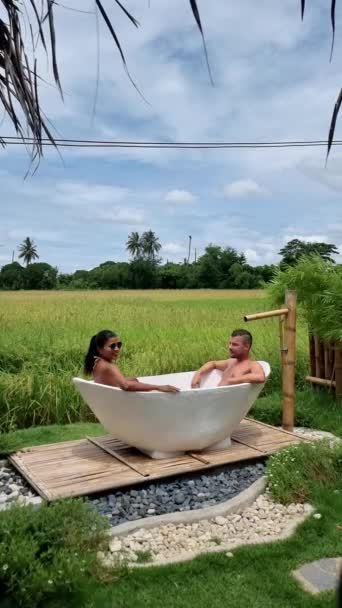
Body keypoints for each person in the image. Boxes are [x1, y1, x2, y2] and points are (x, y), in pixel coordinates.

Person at [84, 330, 179, 393]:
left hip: (108, 401)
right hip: (116, 404)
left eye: (119, 344)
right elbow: (126, 386)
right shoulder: (109, 367)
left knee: (134, 380)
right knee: (132, 382)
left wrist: (131, 381)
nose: (117, 349)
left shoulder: (97, 363)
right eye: (112, 346)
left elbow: (109, 382)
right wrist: (158, 387)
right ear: (100, 349)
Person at [191, 329, 265, 388]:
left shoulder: (252, 365)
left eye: (235, 345)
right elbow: (213, 363)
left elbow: (260, 377)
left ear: (246, 346)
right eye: (230, 343)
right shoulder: (230, 362)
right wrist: (198, 374)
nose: (230, 347)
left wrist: (231, 381)